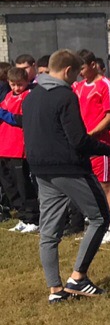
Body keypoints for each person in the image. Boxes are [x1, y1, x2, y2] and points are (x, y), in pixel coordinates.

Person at [25, 50, 110, 302]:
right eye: (76, 74)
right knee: (101, 217)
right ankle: (78, 278)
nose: (77, 79)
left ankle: (55, 290)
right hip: (69, 168)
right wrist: (107, 150)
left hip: (41, 170)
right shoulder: (65, 95)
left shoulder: (32, 96)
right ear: (68, 71)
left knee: (49, 231)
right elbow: (78, 140)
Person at [72, 50, 110, 243]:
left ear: (93, 65)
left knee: (106, 184)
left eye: (82, 68)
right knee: (88, 184)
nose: (80, 73)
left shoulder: (106, 85)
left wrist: (92, 134)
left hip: (100, 143)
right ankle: (98, 224)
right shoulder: (78, 86)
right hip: (82, 144)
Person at [0, 66, 40, 233]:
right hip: (4, 146)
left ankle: (33, 218)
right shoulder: (9, 96)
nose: (16, 88)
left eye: (20, 84)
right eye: (13, 84)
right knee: (9, 185)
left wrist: (3, 114)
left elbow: (22, 119)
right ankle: (22, 216)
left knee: (23, 185)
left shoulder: (28, 96)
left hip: (18, 148)